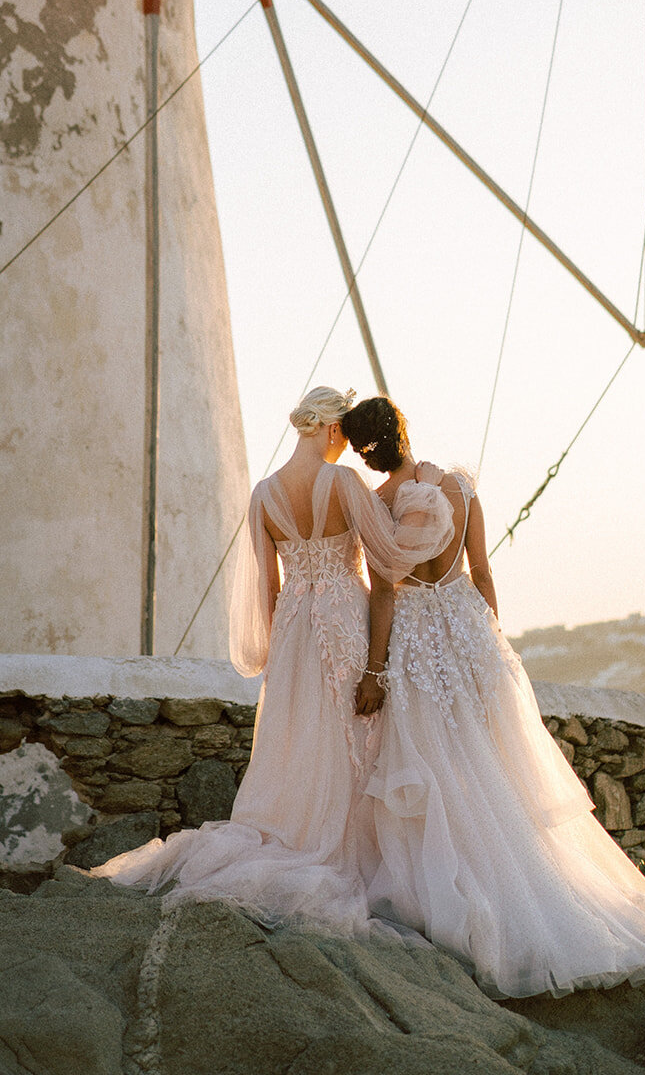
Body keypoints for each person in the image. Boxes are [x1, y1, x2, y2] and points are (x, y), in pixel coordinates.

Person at [340, 395, 645, 997]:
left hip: (415, 642)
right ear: (403, 429)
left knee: (438, 767)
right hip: (467, 631)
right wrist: (490, 643)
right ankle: (532, 888)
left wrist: (375, 670)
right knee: (495, 767)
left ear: (364, 450)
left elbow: (384, 592)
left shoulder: (379, 506)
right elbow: (483, 570)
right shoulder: (461, 487)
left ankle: (466, 897)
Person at [90, 385, 453, 935]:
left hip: (293, 627)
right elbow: (391, 555)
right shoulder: (343, 482)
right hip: (343, 615)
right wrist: (429, 497)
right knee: (357, 734)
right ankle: (354, 851)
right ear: (331, 430)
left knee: (300, 736)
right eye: (344, 434)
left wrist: (279, 645)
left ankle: (293, 833)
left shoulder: (263, 494)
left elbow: (268, 585)